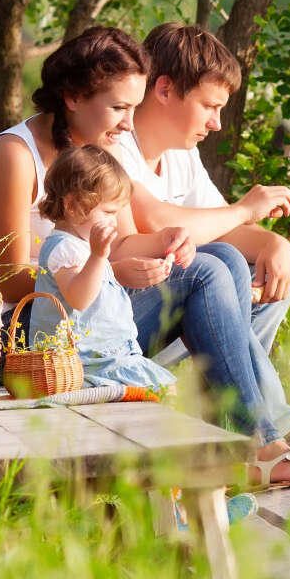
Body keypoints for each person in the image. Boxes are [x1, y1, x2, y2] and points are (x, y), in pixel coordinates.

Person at [0, 26, 290, 485]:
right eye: (120, 108)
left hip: (87, 317)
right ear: (73, 96)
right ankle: (261, 443)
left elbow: (121, 242)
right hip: (28, 335)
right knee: (204, 271)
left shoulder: (96, 150)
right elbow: (7, 279)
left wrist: (171, 240)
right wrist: (106, 272)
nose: (127, 124)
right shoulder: (14, 155)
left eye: (133, 108)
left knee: (214, 255)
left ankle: (241, 435)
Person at [115, 22, 290, 362]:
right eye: (209, 107)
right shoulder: (114, 142)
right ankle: (242, 403)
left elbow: (223, 227)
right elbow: (154, 219)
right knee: (216, 266)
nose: (217, 123)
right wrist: (245, 209)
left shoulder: (181, 153)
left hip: (160, 314)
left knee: (274, 279)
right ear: (165, 91)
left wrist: (275, 244)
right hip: (116, 319)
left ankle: (229, 397)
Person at [30, 145, 176, 393]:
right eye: (108, 212)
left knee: (167, 389)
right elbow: (79, 298)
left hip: (109, 355)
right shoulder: (64, 249)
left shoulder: (82, 247)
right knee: (161, 391)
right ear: (73, 206)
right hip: (83, 362)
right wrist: (99, 257)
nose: (114, 220)